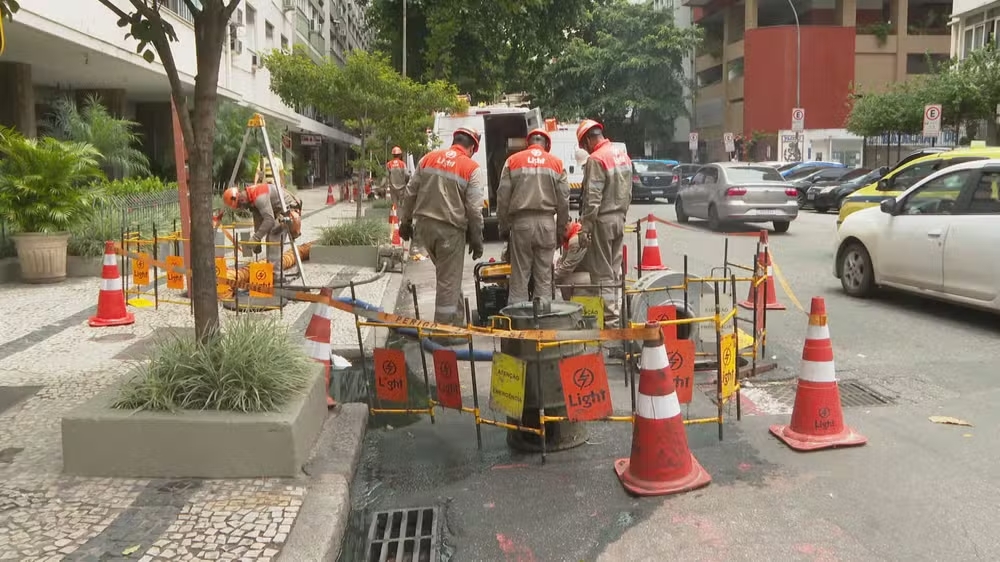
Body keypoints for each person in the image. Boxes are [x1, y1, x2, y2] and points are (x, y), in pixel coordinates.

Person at [399, 127, 486, 339]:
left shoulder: (428, 159)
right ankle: (444, 333)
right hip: (449, 231)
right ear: (473, 147)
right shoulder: (471, 168)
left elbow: (410, 193)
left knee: (450, 277)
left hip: (425, 229)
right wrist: (477, 240)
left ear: (454, 140)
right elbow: (474, 210)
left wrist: (405, 222)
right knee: (448, 281)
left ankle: (456, 323)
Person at [496, 128, 570, 305]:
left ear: (528, 143)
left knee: (519, 277)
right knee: (544, 277)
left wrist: (504, 228)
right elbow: (564, 201)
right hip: (546, 224)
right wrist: (561, 231)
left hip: (521, 225)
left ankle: (519, 323)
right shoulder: (556, 163)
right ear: (547, 145)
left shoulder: (513, 161)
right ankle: (542, 323)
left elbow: (502, 197)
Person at [576, 119, 632, 331]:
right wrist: (623, 215)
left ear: (590, 139)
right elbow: (629, 192)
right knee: (614, 272)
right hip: (619, 218)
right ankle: (617, 317)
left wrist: (586, 228)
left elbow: (592, 198)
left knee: (602, 275)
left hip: (602, 221)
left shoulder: (596, 159)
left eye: (584, 145)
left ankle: (611, 326)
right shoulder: (622, 155)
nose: (585, 149)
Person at [223, 183, 303, 280]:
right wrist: (258, 242)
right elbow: (258, 220)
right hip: (280, 211)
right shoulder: (251, 197)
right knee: (271, 235)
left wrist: (256, 238)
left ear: (240, 199)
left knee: (274, 235)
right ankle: (272, 272)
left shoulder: (259, 197)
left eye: (241, 206)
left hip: (289, 211)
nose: (242, 208)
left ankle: (277, 276)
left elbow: (269, 220)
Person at [554, 221, 593, 301]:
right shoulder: (577, 230)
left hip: (592, 276)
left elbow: (566, 268)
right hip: (593, 273)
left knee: (565, 281)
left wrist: (549, 278)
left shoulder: (574, 241)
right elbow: (564, 260)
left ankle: (570, 307)